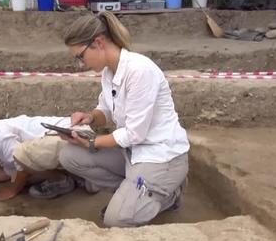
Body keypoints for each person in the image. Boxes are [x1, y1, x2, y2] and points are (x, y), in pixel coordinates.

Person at [59, 12, 190, 227]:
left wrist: (93, 142)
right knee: (70, 156)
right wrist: (90, 117)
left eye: (80, 56)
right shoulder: (108, 73)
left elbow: (134, 133)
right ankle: (133, 194)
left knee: (115, 219)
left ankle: (168, 194)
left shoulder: (140, 71)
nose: (80, 64)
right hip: (132, 153)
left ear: (98, 43)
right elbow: (105, 112)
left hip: (161, 157)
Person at [0, 106, 78, 201]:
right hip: (65, 138)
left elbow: (22, 166)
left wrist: (12, 191)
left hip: (71, 136)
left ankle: (63, 180)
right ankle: (68, 174)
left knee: (25, 174)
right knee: (22, 177)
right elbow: (9, 172)